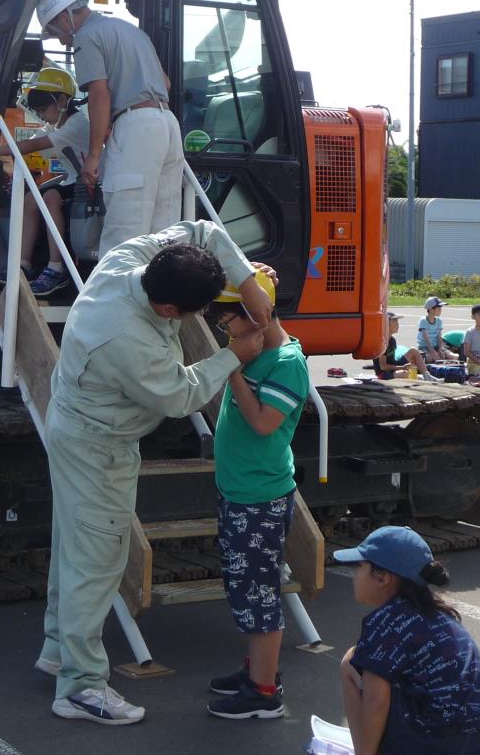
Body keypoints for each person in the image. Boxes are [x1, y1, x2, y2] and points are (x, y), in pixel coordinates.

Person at [38, 220, 270, 725]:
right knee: (97, 558)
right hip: (95, 444)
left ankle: (60, 650)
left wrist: (245, 276)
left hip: (83, 427)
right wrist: (235, 353)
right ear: (169, 310)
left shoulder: (127, 262)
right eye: (197, 311)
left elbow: (202, 229)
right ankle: (78, 687)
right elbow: (180, 395)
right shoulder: (124, 335)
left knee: (76, 548)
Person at [205, 270, 309, 720]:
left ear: (258, 317)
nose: (226, 333)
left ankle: (264, 692)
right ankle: (256, 671)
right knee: (245, 587)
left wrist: (232, 370)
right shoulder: (255, 350)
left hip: (259, 498)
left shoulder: (285, 362)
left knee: (259, 592)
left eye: (230, 323)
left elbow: (265, 423)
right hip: (241, 491)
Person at [36, 0, 184, 255]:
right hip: (166, 124)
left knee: (124, 232)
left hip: (136, 127)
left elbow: (99, 95)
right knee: (163, 231)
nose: (60, 40)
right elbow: (165, 83)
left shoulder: (86, 36)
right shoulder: (133, 31)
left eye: (55, 32)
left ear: (63, 17)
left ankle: (115, 296)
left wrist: (93, 157)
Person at [336, 526, 480, 755]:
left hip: (440, 745)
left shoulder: (386, 621)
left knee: (350, 663)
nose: (355, 575)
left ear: (382, 578)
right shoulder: (439, 614)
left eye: (359, 567)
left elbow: (376, 700)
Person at [0, 66, 93, 296]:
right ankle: (23, 264)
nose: (41, 114)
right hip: (74, 180)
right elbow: (29, 143)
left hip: (91, 183)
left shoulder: (77, 124)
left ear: (63, 99)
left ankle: (56, 269)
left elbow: (32, 146)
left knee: (50, 196)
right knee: (32, 199)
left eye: (44, 108)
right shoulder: (54, 125)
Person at [372, 312, 439, 381]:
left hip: (393, 367)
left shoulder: (392, 340)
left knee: (414, 351)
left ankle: (427, 375)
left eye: (397, 321)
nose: (398, 324)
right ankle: (419, 377)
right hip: (383, 374)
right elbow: (383, 367)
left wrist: (408, 363)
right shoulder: (381, 341)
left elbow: (392, 361)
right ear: (386, 323)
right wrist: (402, 367)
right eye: (394, 321)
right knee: (404, 373)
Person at [415, 297, 454, 364]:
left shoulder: (439, 320)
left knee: (454, 356)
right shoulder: (423, 320)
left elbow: (439, 336)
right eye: (438, 307)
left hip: (436, 347)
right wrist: (432, 351)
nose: (440, 310)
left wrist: (440, 349)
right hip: (425, 347)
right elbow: (426, 338)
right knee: (430, 358)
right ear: (431, 309)